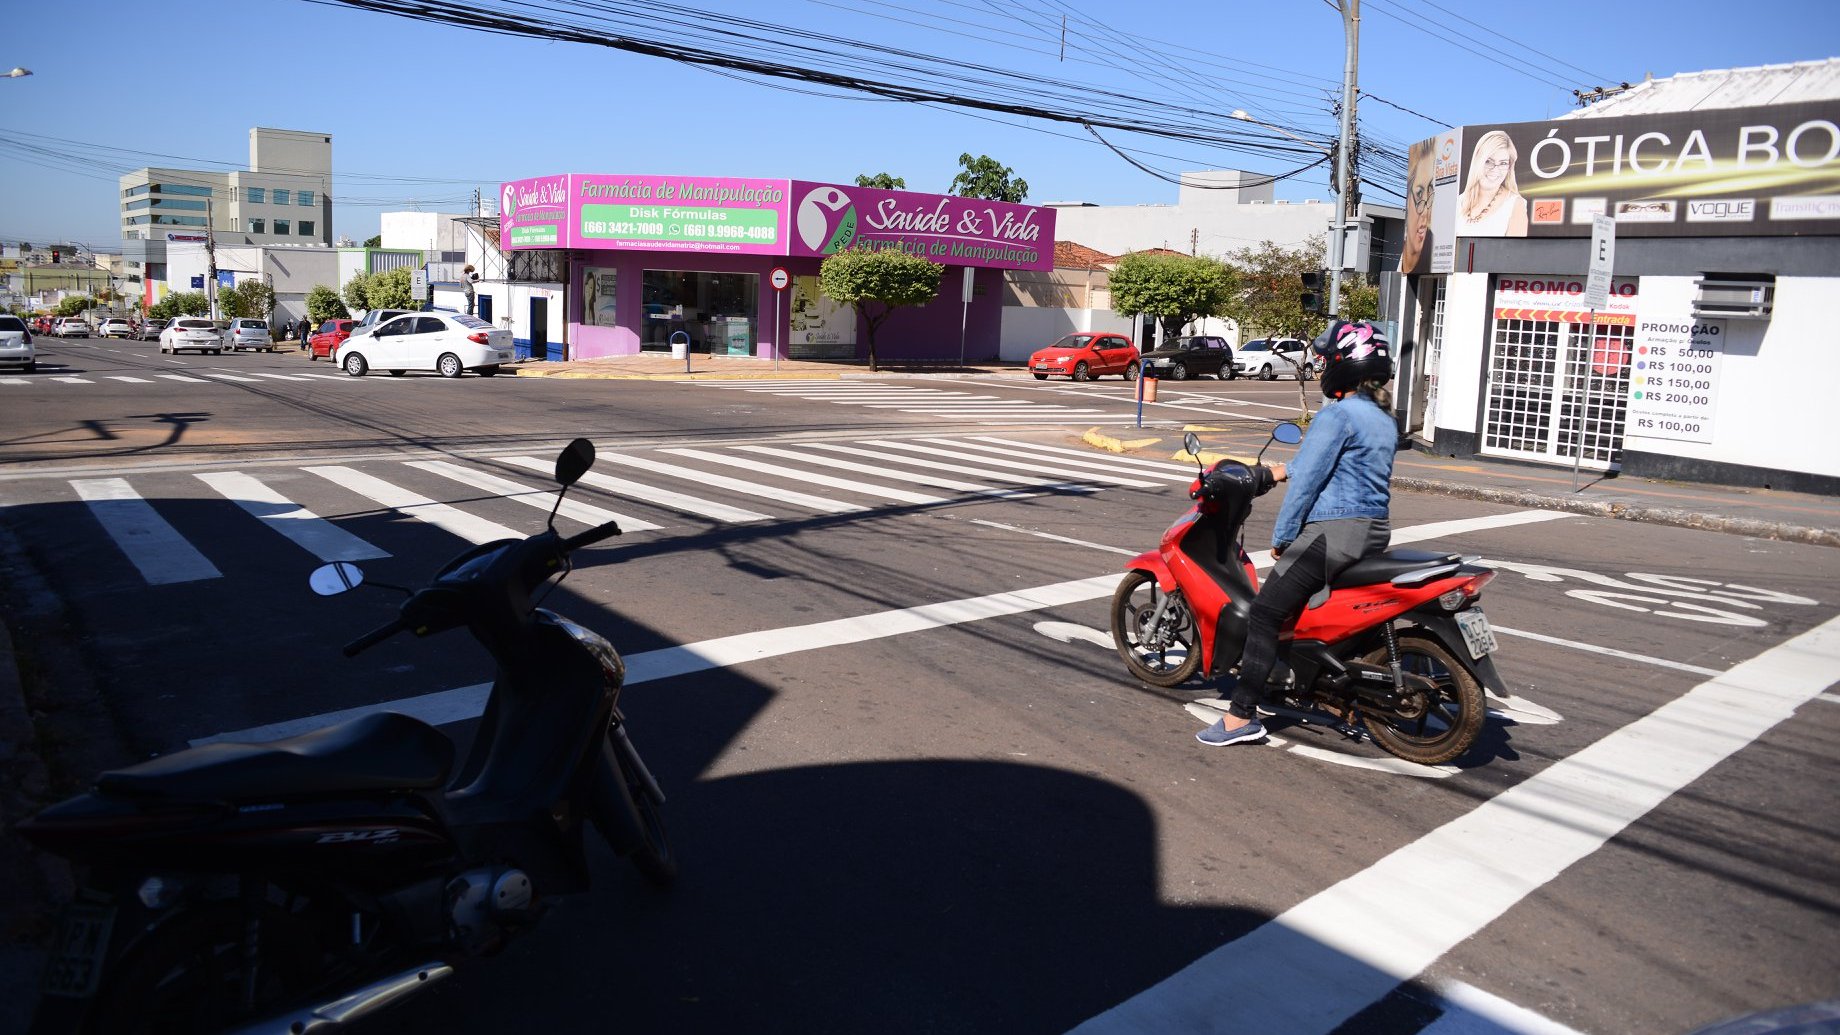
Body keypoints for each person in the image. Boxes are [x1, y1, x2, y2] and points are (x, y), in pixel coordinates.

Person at [1197, 320, 1398, 746]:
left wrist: (1284, 535)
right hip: (1374, 530)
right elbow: (1344, 470)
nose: (1323, 366)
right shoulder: (1383, 419)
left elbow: (1308, 479)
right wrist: (1278, 471)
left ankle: (1240, 718)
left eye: (1326, 359)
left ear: (1342, 364)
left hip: (1334, 532)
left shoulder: (1338, 415)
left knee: (1266, 613)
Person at [1455, 130, 1529, 238]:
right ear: (1478, 161)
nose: (1495, 169)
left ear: (1509, 167)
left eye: (1503, 163)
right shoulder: (1459, 202)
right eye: (1488, 161)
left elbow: (1514, 252)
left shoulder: (1515, 204)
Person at [1400, 137, 1436, 274]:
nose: (1425, 212)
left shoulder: (1435, 257)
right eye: (1419, 193)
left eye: (1430, 191)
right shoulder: (1404, 263)